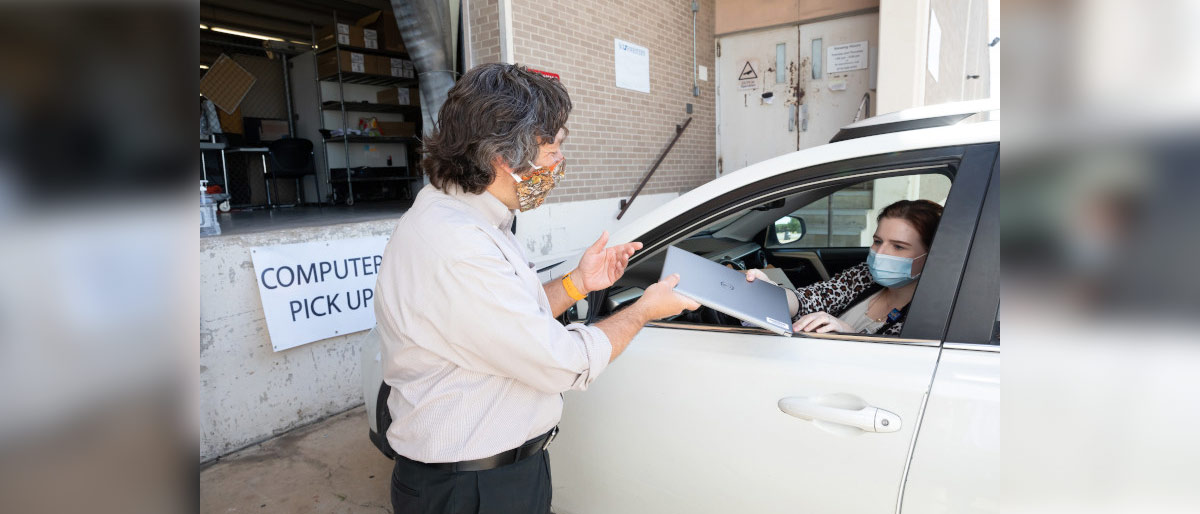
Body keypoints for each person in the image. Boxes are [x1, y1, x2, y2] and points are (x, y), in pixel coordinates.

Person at [373, 63, 699, 514]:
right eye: (554, 147)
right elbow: (560, 362)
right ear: (504, 158)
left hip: (490, 475)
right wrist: (642, 311)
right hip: (471, 490)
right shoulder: (458, 246)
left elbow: (509, 319)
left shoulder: (472, 219)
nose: (559, 162)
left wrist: (578, 283)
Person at [746, 199, 943, 335]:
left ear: (931, 255)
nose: (880, 253)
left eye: (898, 246)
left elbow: (896, 365)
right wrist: (771, 292)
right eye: (877, 241)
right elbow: (812, 298)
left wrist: (849, 334)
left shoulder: (931, 315)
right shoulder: (864, 276)